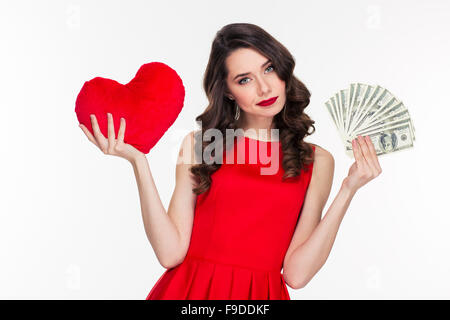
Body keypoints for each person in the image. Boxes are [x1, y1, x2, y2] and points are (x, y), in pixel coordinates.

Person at [79, 23, 382, 300]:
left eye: (270, 68)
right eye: (245, 79)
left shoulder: (316, 161)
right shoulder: (200, 146)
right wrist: (138, 162)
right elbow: (170, 254)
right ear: (228, 91)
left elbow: (297, 275)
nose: (264, 88)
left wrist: (348, 189)